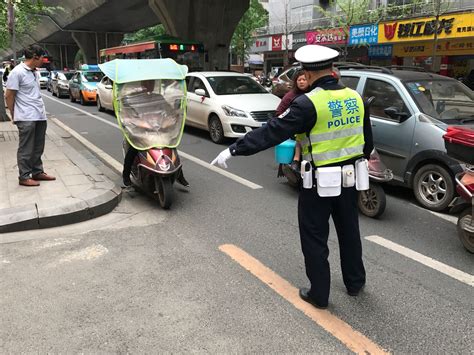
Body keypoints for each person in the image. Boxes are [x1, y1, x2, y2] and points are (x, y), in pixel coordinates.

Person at [211, 44, 374, 309]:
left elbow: (272, 132)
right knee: (350, 231)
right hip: (350, 179)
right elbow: (367, 144)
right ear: (333, 70)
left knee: (314, 237)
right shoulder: (357, 98)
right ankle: (355, 283)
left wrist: (234, 149)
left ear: (307, 75)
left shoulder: (307, 103)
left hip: (318, 183)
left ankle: (319, 295)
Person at [121, 80, 189, 188]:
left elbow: (169, 111)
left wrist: (173, 117)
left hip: (157, 129)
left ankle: (179, 173)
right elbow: (127, 114)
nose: (150, 85)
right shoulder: (135, 98)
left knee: (171, 146)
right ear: (143, 84)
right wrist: (131, 120)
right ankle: (126, 175)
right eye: (148, 83)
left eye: (152, 83)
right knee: (133, 150)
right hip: (140, 131)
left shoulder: (158, 98)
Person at [5, 45, 56, 187]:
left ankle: (37, 172)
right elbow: (9, 95)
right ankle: (24, 176)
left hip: (39, 115)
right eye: (42, 58)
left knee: (38, 146)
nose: (43, 61)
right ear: (35, 57)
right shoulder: (17, 72)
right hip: (25, 116)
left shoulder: (35, 72)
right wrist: (13, 114)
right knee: (26, 148)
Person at [275, 69, 309, 174]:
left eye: (304, 79)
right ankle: (296, 160)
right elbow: (279, 113)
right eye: (299, 80)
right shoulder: (290, 96)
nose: (302, 82)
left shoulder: (313, 94)